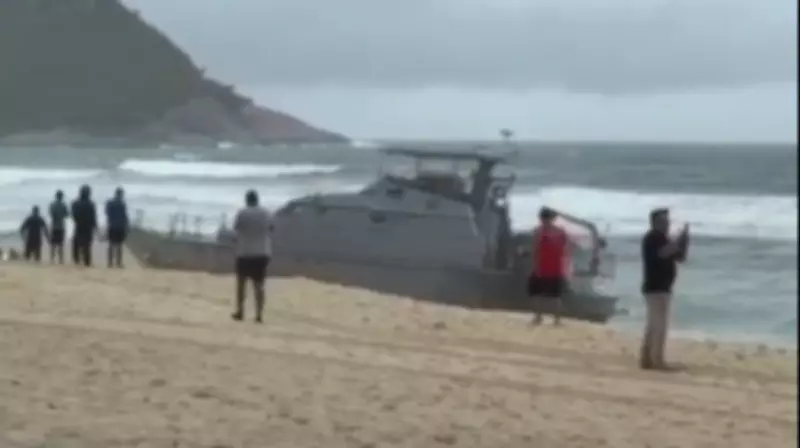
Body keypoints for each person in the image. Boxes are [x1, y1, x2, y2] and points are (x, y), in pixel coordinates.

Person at [640, 208, 689, 371]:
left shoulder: (664, 239)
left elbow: (680, 257)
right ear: (655, 223)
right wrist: (677, 242)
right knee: (659, 326)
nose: (667, 224)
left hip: (662, 287)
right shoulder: (651, 238)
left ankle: (647, 358)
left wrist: (684, 242)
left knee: (653, 325)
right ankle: (657, 360)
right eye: (663, 221)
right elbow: (662, 254)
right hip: (655, 287)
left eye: (667, 221)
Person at [231, 189, 274, 323]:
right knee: (259, 285)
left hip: (245, 251)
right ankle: (259, 315)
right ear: (257, 200)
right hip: (262, 252)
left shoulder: (242, 213)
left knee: (241, 283)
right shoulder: (266, 213)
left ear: (247, 200)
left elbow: (237, 228)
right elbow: (271, 228)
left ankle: (240, 311)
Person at [528, 207, 571, 326]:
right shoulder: (561, 232)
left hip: (542, 268)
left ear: (541, 218)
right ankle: (556, 320)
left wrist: (534, 266)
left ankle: (539, 317)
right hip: (556, 268)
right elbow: (566, 250)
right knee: (554, 297)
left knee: (537, 295)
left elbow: (535, 250)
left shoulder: (539, 232)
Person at [71, 184, 98, 267]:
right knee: (87, 244)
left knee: (76, 242)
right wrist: (95, 226)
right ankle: (87, 261)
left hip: (78, 224)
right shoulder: (91, 204)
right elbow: (93, 216)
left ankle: (76, 259)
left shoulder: (75, 203)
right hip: (88, 226)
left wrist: (77, 220)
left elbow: (73, 215)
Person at [105, 187, 129, 268]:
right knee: (119, 245)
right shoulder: (122, 204)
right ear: (121, 195)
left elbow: (107, 213)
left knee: (111, 244)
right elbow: (125, 216)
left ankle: (110, 263)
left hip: (112, 225)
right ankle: (118, 263)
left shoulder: (110, 203)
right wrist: (127, 226)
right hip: (120, 226)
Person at [48, 190, 69, 264]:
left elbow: (50, 214)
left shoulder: (52, 205)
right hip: (61, 226)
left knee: (53, 244)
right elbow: (67, 214)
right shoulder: (63, 205)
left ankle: (52, 259)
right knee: (60, 244)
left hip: (54, 226)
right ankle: (61, 260)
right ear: (62, 197)